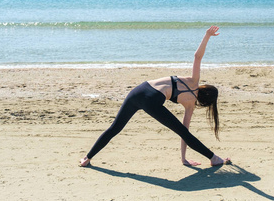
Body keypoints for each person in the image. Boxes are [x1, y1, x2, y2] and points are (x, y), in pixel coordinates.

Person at [79, 26, 230, 167]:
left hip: (138, 90)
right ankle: (214, 158)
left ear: (205, 87)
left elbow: (197, 56)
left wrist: (207, 36)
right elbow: (185, 134)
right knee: (183, 131)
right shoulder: (190, 103)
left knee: (115, 128)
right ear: (205, 102)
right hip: (151, 100)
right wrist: (183, 159)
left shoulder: (193, 80)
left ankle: (87, 158)